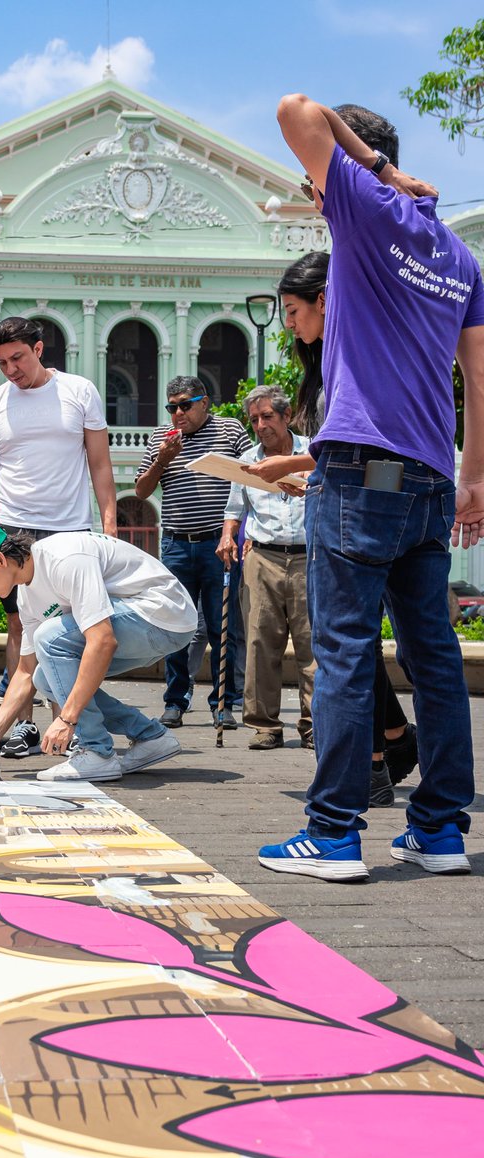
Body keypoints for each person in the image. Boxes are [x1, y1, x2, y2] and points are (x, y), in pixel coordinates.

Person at [257, 94, 484, 882]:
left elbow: (296, 108)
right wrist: (474, 475)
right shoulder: (459, 257)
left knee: (347, 652)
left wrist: (376, 169)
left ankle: (333, 834)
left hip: (361, 473)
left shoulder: (363, 206)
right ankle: (441, 831)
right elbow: (479, 376)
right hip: (428, 473)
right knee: (436, 660)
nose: (312, 193)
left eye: (315, 182)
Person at [253, 251, 419, 795]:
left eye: (294, 309)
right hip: (345, 501)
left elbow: (366, 445)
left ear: (325, 301)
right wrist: (313, 479)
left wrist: (297, 464)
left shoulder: (354, 352)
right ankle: (391, 737)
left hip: (369, 510)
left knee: (346, 642)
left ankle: (370, 765)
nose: (288, 323)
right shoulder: (324, 359)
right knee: (354, 641)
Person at [0, 316, 117, 759]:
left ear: (38, 348)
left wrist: (108, 525)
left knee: (65, 631)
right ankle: (25, 726)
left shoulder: (79, 391)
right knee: (21, 626)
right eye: (1, 362)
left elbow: (100, 465)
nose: (11, 369)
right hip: (11, 526)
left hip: (68, 528)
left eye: (17, 358)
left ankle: (63, 723)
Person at [0, 523, 196, 782]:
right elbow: (25, 672)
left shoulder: (64, 558)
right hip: (142, 628)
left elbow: (103, 640)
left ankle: (97, 752)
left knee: (49, 637)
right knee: (44, 677)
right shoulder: (27, 597)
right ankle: (150, 737)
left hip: (164, 615)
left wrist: (67, 720)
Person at [135, 375, 249, 730]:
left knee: (222, 625)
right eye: (172, 407)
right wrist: (162, 460)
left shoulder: (230, 431)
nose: (178, 413)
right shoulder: (161, 439)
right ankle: (175, 700)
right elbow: (140, 491)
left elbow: (251, 477)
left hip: (220, 544)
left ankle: (224, 703)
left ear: (205, 403)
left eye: (185, 405)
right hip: (177, 544)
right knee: (176, 625)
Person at [219, 385, 315, 750]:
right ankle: (265, 725)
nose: (260, 425)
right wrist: (228, 536)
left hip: (309, 556)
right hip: (262, 557)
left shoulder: (312, 453)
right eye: (255, 419)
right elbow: (234, 510)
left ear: (287, 416)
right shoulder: (247, 459)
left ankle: (313, 724)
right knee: (260, 642)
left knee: (312, 645)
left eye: (267, 417)